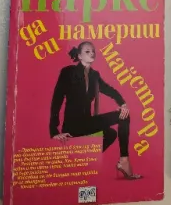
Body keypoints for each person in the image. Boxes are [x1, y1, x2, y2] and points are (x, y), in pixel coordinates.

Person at [49, 41, 142, 180]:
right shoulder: (68, 72)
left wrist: (123, 104)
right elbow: (57, 99)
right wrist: (54, 131)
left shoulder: (94, 75)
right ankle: (90, 160)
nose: (92, 53)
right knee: (113, 129)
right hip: (72, 126)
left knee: (114, 129)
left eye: (93, 51)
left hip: (87, 123)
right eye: (87, 51)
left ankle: (120, 161)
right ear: (79, 56)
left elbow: (109, 90)